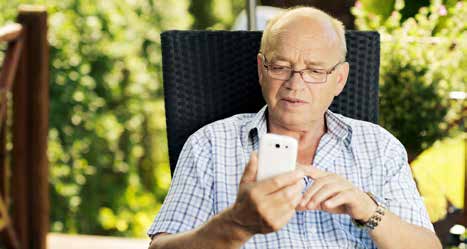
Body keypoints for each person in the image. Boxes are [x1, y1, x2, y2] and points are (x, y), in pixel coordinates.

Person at [147, 6, 441, 249]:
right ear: (262, 69)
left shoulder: (380, 146)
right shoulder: (210, 144)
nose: (295, 84)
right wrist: (236, 224)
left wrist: (367, 210)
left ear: (340, 79)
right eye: (281, 67)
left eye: (315, 71)